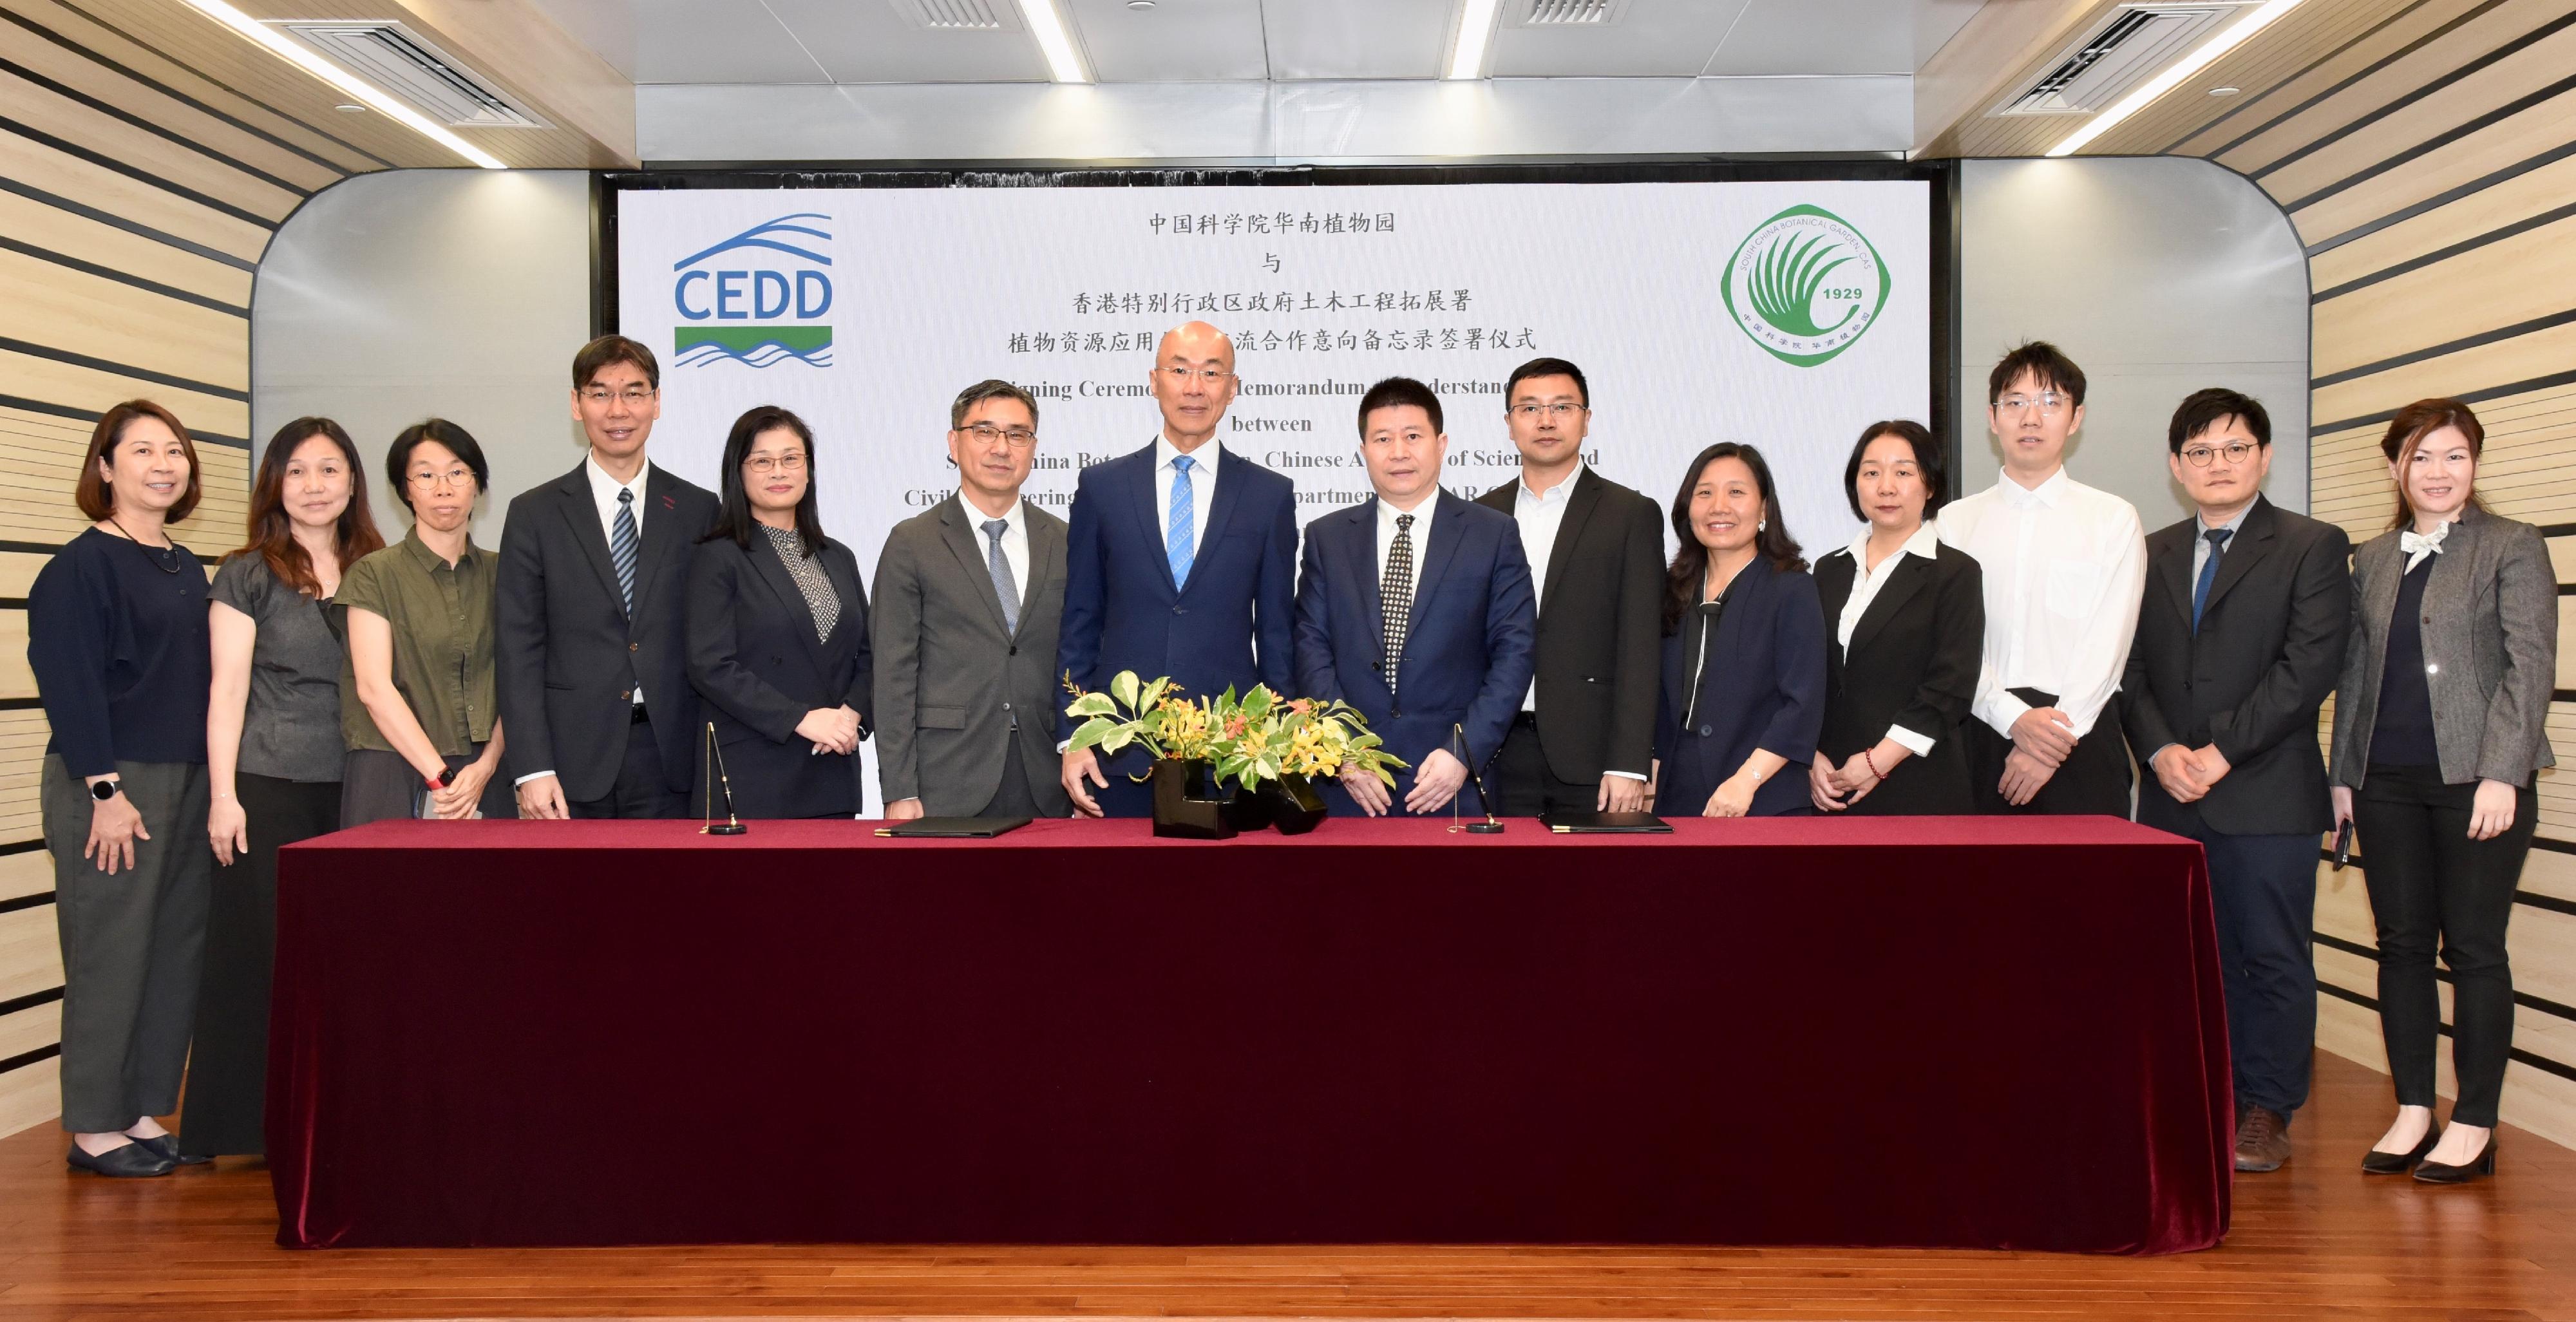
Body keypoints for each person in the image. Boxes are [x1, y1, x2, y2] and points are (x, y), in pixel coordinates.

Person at [2119, 389, 2352, 1175]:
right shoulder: (2146, 550)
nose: (2217, 464)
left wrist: (2216, 754)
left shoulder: (2312, 545)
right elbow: (2129, 672)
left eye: (2234, 448)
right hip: (2167, 796)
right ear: (2175, 465)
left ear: (2265, 455)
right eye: (2199, 452)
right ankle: (2207, 1095)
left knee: (2272, 956)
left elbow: (2308, 667)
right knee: (2189, 957)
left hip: (2266, 792)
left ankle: (2266, 1107)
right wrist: (2157, 753)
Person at [2330, 399, 2554, 1185]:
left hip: (2477, 782)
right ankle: (2414, 1108)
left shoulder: (2511, 546)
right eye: (2421, 457)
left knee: (2473, 948)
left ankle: (2475, 1121)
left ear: (2475, 465)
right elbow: (2355, 676)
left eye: (2454, 456)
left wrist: (2504, 770)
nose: (2437, 472)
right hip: (2383, 781)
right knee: (2399, 947)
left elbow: (2530, 671)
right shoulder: (2371, 556)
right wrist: (2343, 776)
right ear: (2396, 467)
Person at [187, 417, 384, 1160]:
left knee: (349, 959)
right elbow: (227, 689)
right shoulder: (247, 571)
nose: (313, 486)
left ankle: (342, 1116)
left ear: (353, 481)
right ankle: (252, 1127)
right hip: (267, 785)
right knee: (262, 956)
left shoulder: (379, 563)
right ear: (276, 483)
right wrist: (223, 795)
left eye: (330, 469)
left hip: (362, 789)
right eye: (297, 471)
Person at [28, 400, 213, 1178]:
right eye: (142, 451)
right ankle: (95, 1125)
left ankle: (140, 1107)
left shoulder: (186, 563)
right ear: (105, 468)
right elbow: (67, 681)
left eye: (174, 450)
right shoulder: (80, 565)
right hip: (112, 783)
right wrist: (105, 790)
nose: (164, 464)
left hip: (189, 780)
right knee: (109, 951)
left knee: (171, 949)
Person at [1056, 322, 1298, 817]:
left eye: (1212, 373)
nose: (1194, 387)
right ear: (1154, 380)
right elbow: (1080, 621)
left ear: (1233, 388)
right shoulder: (1102, 487)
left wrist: (1281, 746)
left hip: (1231, 756)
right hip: (1117, 752)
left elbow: (1276, 634)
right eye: (1180, 370)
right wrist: (1072, 736)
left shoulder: (1268, 495)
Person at [498, 335, 719, 820]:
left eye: (635, 392)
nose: (618, 409)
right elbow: (518, 650)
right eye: (600, 393)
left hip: (673, 758)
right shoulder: (534, 513)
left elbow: (714, 642)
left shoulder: (698, 510)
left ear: (657, 403)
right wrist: (532, 768)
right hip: (570, 759)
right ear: (577, 405)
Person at [1293, 377, 1535, 817]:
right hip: (1351, 784)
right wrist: (1345, 751)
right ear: (1363, 450)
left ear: (1441, 444)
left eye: (1413, 437)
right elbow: (1311, 647)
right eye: (1382, 439)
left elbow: (1515, 653)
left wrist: (1462, 752)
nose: (1398, 452)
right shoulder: (1326, 537)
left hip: (1451, 782)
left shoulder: (1492, 534)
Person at [1937, 341, 2145, 815]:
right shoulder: (1954, 523)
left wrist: (2049, 742)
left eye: (2051, 402)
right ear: (1993, 418)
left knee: (2087, 888)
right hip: (1980, 729)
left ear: (2076, 418)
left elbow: (2108, 645)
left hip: (2081, 735)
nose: (2031, 418)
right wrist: (2012, 718)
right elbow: (1950, 643)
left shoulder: (2112, 518)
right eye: (2015, 402)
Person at [1472, 357, 1662, 817]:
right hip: (1496, 750)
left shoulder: (1630, 513)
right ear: (1509, 423)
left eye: (1563, 406)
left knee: (1596, 888)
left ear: (1587, 419)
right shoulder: (1479, 516)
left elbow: (1641, 646)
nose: (1546, 420)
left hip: (1594, 758)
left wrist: (1630, 763)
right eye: (1530, 408)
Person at [874, 381, 1071, 820]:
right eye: (985, 431)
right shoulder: (912, 542)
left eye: (1017, 434)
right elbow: (892, 673)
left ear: (1033, 447)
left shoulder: (1063, 539)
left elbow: (1080, 657)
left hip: (1045, 778)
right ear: (954, 442)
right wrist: (899, 787)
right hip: (947, 777)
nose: (1002, 447)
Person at [686, 406, 872, 819]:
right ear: (739, 472)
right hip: (753, 774)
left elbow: (869, 653)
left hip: (831, 770)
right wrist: (800, 719)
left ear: (808, 470)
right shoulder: (718, 557)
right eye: (762, 461)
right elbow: (710, 665)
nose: (778, 471)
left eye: (791, 458)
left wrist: (851, 716)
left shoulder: (839, 556)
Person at [337, 420, 515, 824]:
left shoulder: (505, 573)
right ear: (405, 489)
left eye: (457, 473)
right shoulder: (373, 574)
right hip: (393, 768)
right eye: (425, 475)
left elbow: (520, 680)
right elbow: (373, 688)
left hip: (485, 773)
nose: (443, 488)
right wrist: (441, 778)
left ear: (477, 484)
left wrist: (486, 766)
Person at [1808, 421, 1984, 816]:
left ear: (1931, 485)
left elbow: (1950, 686)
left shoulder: (1955, 573)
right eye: (1871, 473)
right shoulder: (1827, 570)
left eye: (1903, 472)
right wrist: (1809, 754)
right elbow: (1808, 674)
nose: (1886, 486)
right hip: (1830, 784)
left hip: (1918, 780)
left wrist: (1876, 763)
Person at [1654, 442, 1824, 818]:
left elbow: (1802, 705)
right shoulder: (1671, 590)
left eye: (1736, 492)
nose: (1719, 506)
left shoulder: (1792, 588)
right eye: (1704, 493)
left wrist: (1747, 780)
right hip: (1674, 793)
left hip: (1762, 794)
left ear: (1763, 508)